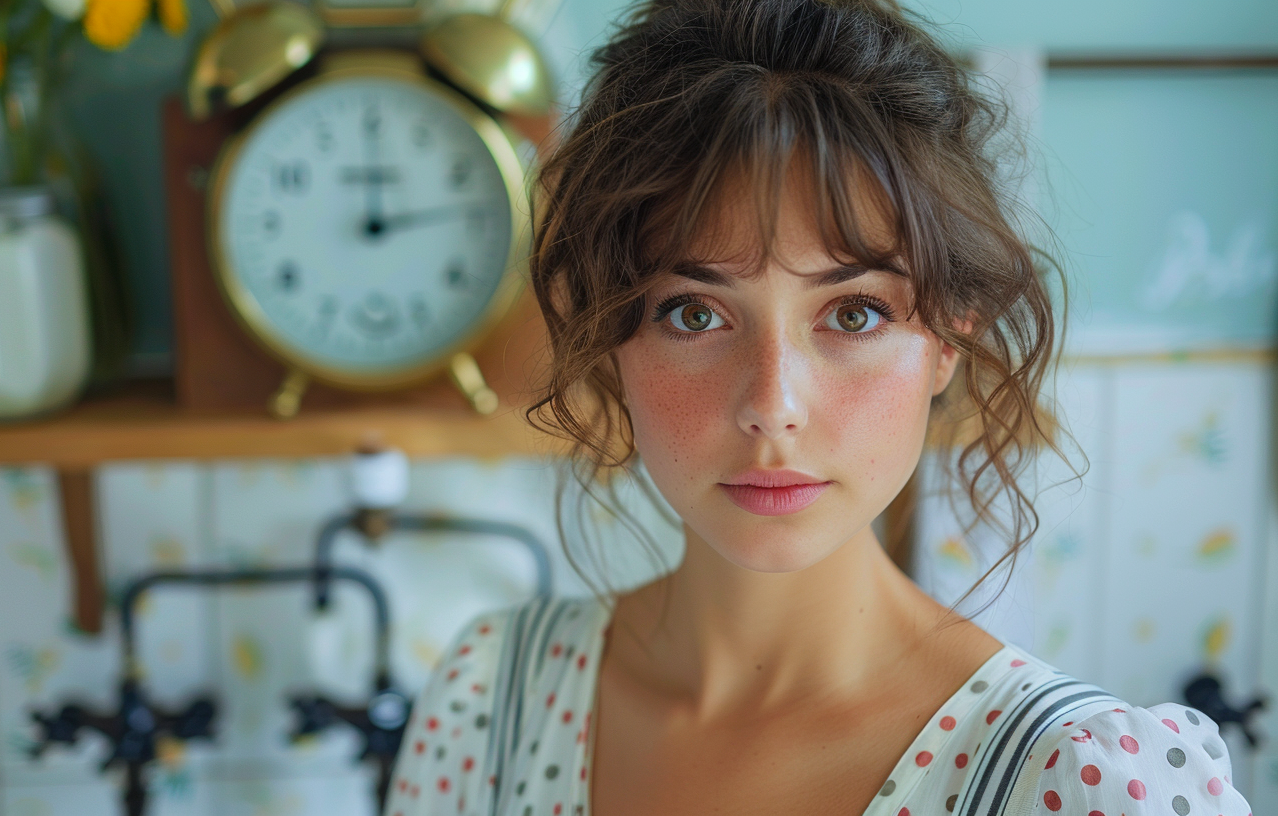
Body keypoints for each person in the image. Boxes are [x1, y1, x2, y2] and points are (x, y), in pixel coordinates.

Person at [384, 0, 1256, 814]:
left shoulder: (1083, 781)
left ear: (949, 337)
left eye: (853, 314)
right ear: (613, 337)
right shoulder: (488, 701)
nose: (773, 406)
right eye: (695, 313)